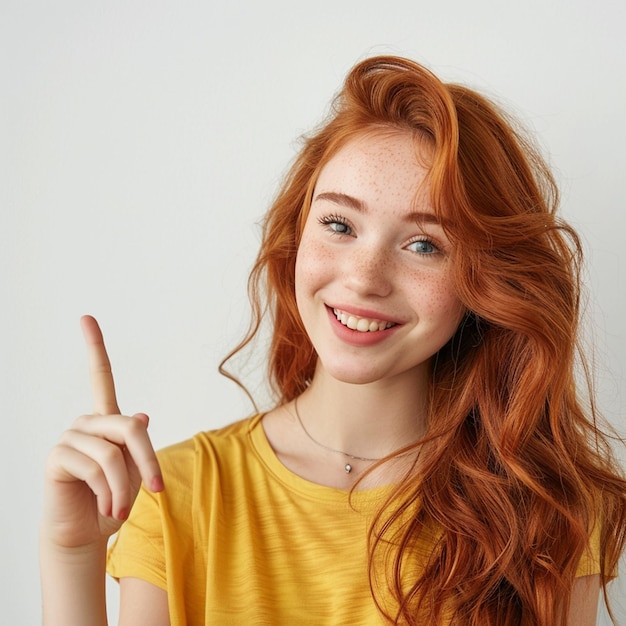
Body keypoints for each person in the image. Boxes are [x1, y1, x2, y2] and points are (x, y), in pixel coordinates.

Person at [40, 56, 626, 625]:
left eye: (424, 245)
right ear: (297, 236)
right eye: (339, 225)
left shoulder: (547, 510)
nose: (364, 278)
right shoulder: (180, 493)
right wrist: (71, 554)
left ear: (484, 278)